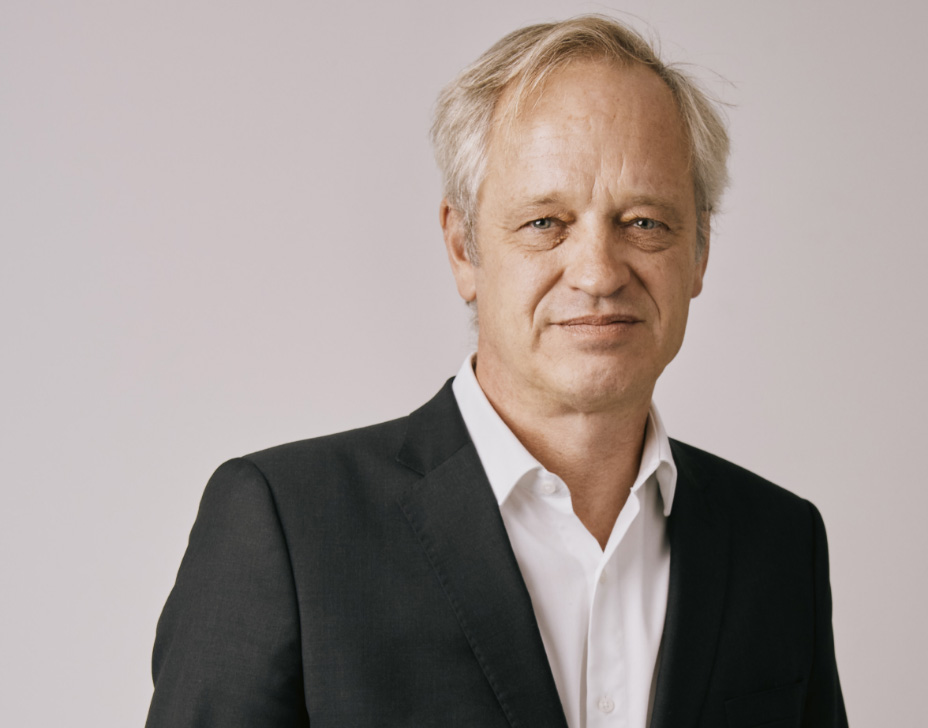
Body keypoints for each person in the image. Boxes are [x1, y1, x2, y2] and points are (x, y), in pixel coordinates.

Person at [146, 15, 847, 728]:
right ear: (464, 248)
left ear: (699, 252)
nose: (599, 273)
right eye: (545, 222)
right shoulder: (287, 528)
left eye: (644, 222)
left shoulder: (779, 544)